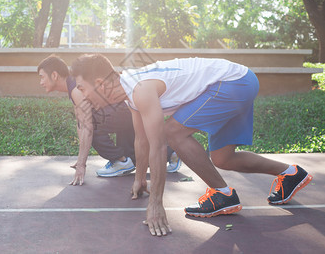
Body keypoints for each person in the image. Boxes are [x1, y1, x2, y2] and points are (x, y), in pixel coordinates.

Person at [71, 53, 313, 236]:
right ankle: (290, 173)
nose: (82, 95)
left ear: (100, 83)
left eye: (82, 88)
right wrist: (139, 179)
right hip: (239, 80)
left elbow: (157, 146)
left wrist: (156, 203)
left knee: (173, 133)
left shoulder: (140, 90)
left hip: (232, 83)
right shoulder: (131, 93)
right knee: (222, 159)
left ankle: (223, 196)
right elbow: (141, 140)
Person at [38, 55, 138, 185]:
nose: (41, 82)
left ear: (54, 75)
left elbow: (86, 126)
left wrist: (81, 165)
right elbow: (79, 123)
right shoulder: (73, 88)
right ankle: (172, 155)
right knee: (134, 155)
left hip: (126, 111)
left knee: (91, 125)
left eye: (42, 77)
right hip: (125, 112)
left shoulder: (76, 89)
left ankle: (121, 161)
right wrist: (80, 159)